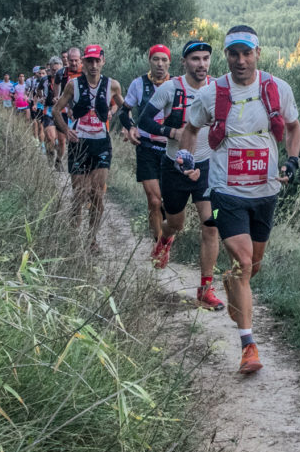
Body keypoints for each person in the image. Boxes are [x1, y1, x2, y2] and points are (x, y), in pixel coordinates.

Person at [178, 26, 300, 374]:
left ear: (257, 53)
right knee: (244, 261)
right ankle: (249, 345)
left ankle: (233, 286)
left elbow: (294, 127)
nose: (241, 60)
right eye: (234, 54)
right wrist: (186, 160)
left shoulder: (277, 89)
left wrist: (292, 160)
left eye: (247, 53)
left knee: (251, 266)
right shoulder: (212, 93)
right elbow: (190, 129)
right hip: (223, 191)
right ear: (227, 56)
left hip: (265, 191)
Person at [135, 41, 224, 311]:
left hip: (208, 167)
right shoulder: (170, 88)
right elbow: (144, 120)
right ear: (184, 62)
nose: (201, 64)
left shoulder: (218, 89)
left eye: (206, 58)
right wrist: (172, 133)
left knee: (211, 225)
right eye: (195, 59)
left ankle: (205, 289)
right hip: (173, 166)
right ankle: (165, 239)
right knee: (176, 223)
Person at [52, 45, 126, 252]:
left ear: (103, 61)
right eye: (89, 61)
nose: (93, 65)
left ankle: (92, 240)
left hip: (101, 143)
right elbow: (56, 110)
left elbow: (125, 106)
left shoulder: (113, 85)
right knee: (80, 193)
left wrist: (120, 117)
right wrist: (66, 130)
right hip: (79, 143)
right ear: (83, 62)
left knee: (97, 194)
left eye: (97, 61)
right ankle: (73, 233)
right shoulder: (73, 85)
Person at [118, 44, 173, 243]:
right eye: (156, 59)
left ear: (169, 62)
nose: (160, 64)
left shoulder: (177, 85)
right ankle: (158, 244)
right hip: (146, 147)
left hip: (171, 149)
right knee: (154, 200)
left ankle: (167, 233)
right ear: (149, 61)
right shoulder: (138, 84)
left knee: (169, 202)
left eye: (164, 60)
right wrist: (131, 127)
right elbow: (123, 112)